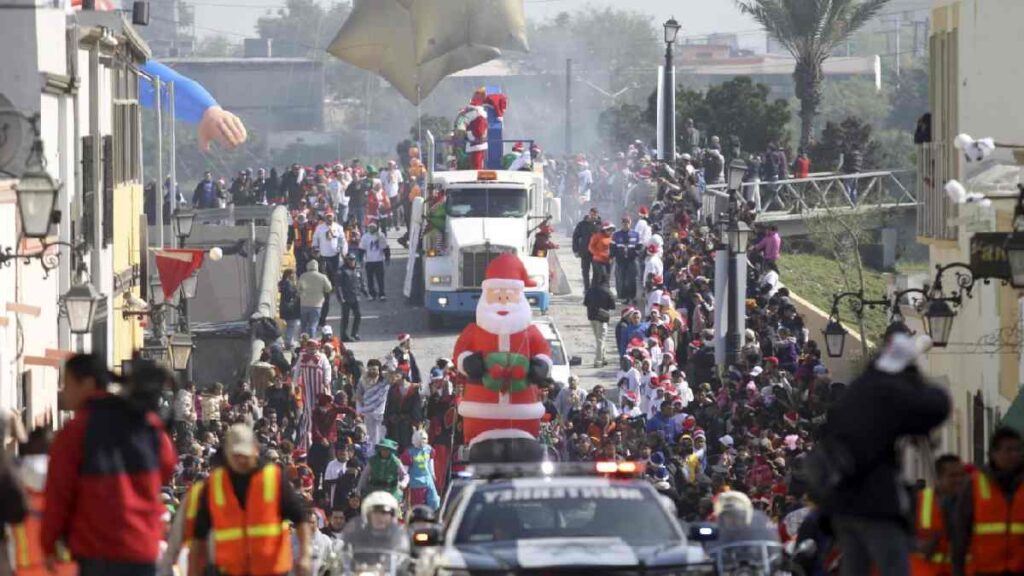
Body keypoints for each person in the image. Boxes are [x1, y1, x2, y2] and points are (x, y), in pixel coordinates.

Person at [825, 334, 950, 576]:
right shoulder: (890, 393)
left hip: (843, 503)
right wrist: (918, 381)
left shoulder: (858, 390)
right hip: (876, 504)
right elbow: (938, 405)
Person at [43, 354, 177, 576]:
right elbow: (166, 465)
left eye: (67, 383)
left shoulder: (76, 431)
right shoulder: (145, 423)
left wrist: (48, 543)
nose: (63, 391)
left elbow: (58, 493)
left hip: (98, 552)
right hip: (143, 548)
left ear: (87, 384)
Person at [189, 424, 313, 576]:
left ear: (255, 450)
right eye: (235, 455)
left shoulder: (272, 478)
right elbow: (199, 534)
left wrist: (305, 556)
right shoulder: (215, 485)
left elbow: (300, 518)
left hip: (271, 569)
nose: (240, 460)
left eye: (244, 454)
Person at [950, 427, 1024, 576]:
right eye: (1008, 450)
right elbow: (960, 533)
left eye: (1018, 450)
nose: (1014, 455)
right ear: (993, 454)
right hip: (984, 571)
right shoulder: (974, 484)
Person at [911, 454, 965, 576]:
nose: (959, 480)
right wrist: (919, 546)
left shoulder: (972, 502)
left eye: (962, 475)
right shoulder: (919, 500)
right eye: (953, 476)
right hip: (926, 571)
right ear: (938, 478)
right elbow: (900, 536)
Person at [340, 491, 409, 557]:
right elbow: (346, 557)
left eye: (384, 513)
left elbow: (404, 560)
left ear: (392, 515)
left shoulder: (399, 537)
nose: (380, 517)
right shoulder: (356, 535)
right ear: (367, 515)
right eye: (375, 512)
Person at [403, 430, 440, 511]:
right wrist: (404, 480)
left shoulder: (429, 449)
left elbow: (430, 462)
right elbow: (405, 470)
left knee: (434, 502)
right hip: (416, 482)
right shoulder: (409, 453)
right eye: (422, 438)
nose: (424, 441)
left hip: (428, 480)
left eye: (425, 439)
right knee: (417, 506)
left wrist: (433, 474)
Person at [584, 275, 615, 368]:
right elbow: (612, 306)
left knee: (598, 339)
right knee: (600, 340)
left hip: (592, 317)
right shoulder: (608, 292)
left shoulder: (590, 290)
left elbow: (585, 303)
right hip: (602, 318)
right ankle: (598, 360)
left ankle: (603, 357)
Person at [355, 359, 389, 446]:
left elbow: (395, 372)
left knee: (381, 436)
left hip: (381, 413)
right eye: (370, 369)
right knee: (369, 436)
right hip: (367, 413)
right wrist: (358, 412)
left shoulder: (385, 379)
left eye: (374, 369)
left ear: (379, 370)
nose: (372, 372)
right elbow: (358, 396)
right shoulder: (363, 380)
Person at [297, 259, 332, 338]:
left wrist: (302, 294)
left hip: (304, 304)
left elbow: (298, 289)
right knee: (313, 325)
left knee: (303, 326)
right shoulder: (322, 277)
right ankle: (312, 341)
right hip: (317, 305)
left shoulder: (303, 276)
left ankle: (303, 341)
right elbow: (329, 288)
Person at [612, 216, 640, 302]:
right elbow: (613, 247)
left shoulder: (635, 234)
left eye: (627, 222)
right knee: (621, 278)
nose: (626, 224)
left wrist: (635, 254)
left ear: (630, 223)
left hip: (631, 260)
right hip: (620, 260)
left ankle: (632, 296)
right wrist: (614, 256)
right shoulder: (616, 235)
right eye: (624, 222)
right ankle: (623, 296)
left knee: (631, 279)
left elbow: (639, 247)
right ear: (622, 223)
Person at [359, 222, 390, 301]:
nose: (372, 228)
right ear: (368, 228)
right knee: (370, 279)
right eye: (370, 227)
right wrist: (361, 260)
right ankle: (372, 294)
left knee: (380, 278)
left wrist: (387, 258)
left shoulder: (381, 235)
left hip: (379, 260)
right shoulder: (365, 237)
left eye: (373, 227)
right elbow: (361, 249)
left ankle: (382, 294)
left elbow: (385, 247)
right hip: (369, 261)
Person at [572, 208, 599, 292]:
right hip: (585, 252)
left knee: (597, 271)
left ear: (597, 215)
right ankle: (587, 288)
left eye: (595, 215)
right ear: (589, 214)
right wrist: (575, 250)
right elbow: (575, 237)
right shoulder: (582, 224)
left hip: (596, 253)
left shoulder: (600, 225)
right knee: (585, 271)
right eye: (591, 214)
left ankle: (595, 288)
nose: (593, 216)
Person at [338, 253, 362, 342]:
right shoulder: (342, 271)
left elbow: (360, 281)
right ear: (347, 260)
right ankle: (344, 336)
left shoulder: (357, 269)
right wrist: (341, 297)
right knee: (345, 318)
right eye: (350, 260)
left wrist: (366, 292)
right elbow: (339, 285)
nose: (352, 261)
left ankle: (354, 333)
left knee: (358, 315)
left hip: (355, 296)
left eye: (353, 259)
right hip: (346, 298)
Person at [278, 269, 302, 349]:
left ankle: (288, 340)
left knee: (289, 325)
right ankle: (289, 342)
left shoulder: (283, 283)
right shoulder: (289, 284)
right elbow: (291, 294)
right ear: (289, 275)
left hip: (285, 307)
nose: (294, 275)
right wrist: (297, 292)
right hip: (291, 308)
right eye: (293, 274)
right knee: (291, 325)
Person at [588, 221, 614, 286]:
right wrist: (598, 253)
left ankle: (606, 291)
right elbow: (591, 247)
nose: (610, 232)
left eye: (611, 230)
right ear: (604, 230)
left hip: (608, 261)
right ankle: (598, 292)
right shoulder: (597, 236)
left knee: (607, 277)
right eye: (608, 230)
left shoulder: (612, 237)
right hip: (598, 261)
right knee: (603, 276)